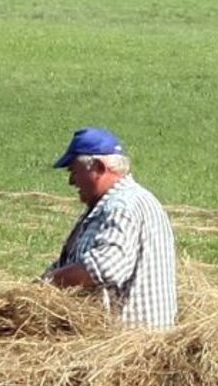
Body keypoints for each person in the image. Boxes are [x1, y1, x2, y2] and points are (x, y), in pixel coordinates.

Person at [43, 126, 177, 329]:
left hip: (129, 346)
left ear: (98, 167)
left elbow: (105, 267)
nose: (71, 181)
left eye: (73, 171)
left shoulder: (123, 206)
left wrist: (51, 282)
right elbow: (73, 260)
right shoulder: (107, 205)